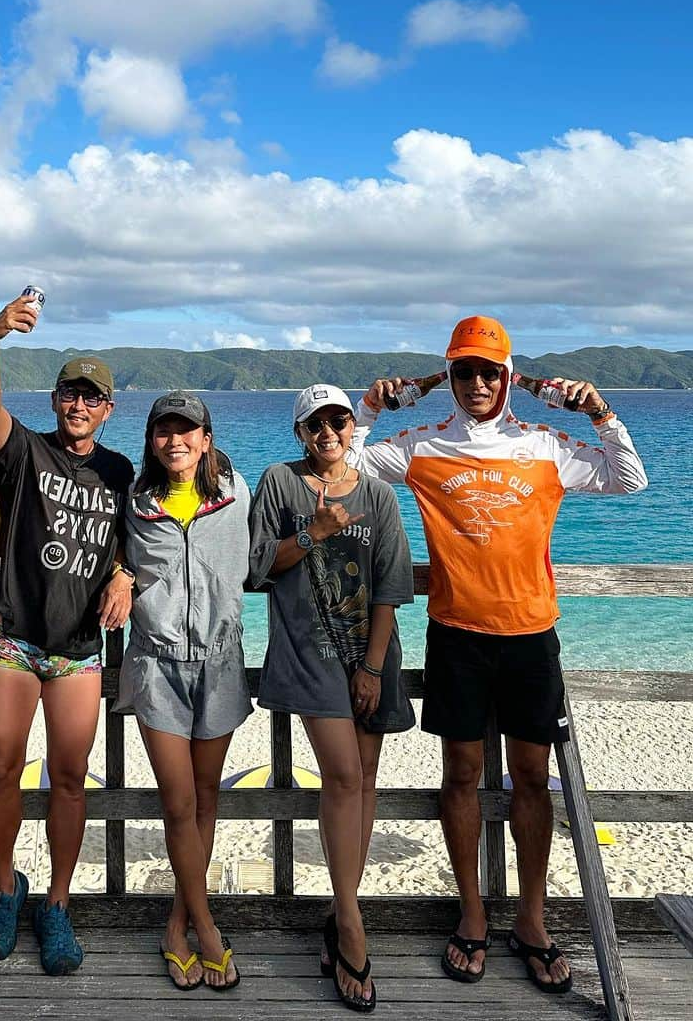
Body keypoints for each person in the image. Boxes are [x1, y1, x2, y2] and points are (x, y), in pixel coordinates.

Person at [351, 315, 648, 995]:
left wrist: (601, 411)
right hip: (456, 632)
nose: (478, 383)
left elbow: (627, 479)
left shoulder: (542, 443)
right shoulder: (424, 445)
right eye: (464, 371)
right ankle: (474, 914)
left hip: (531, 635)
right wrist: (371, 406)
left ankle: (535, 920)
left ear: (508, 376)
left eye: (490, 371)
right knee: (460, 776)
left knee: (531, 779)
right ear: (449, 376)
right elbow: (346, 464)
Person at [0, 295, 134, 976]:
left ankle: (58, 904)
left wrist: (126, 573)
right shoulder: (26, 453)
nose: (79, 406)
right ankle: (6, 888)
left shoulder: (121, 471)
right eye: (71, 393)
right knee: (3, 771)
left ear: (107, 410)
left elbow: (140, 538)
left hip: (77, 649)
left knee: (70, 777)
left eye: (91, 399)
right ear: (56, 398)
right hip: (13, 635)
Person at [249, 384, 416, 1014]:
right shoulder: (280, 483)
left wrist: (373, 666)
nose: (327, 432)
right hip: (309, 654)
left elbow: (390, 587)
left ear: (353, 429)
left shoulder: (376, 495)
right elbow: (257, 567)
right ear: (299, 432)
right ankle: (350, 922)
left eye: (338, 421)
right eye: (314, 424)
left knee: (365, 777)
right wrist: (314, 533)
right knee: (343, 776)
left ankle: (340, 909)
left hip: (371, 652)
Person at [114, 391, 251, 991]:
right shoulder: (136, 501)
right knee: (178, 804)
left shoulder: (237, 495)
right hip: (157, 662)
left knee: (206, 799)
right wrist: (120, 573)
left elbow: (267, 553)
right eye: (164, 431)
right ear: (151, 440)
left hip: (220, 663)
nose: (176, 441)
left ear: (206, 437)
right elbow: (112, 554)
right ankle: (208, 930)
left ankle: (177, 927)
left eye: (187, 431)